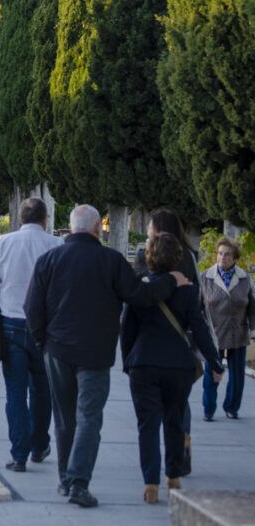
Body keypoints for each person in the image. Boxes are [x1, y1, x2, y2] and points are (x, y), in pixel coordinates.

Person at [24, 204, 190, 508]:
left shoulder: (49, 260)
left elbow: (32, 307)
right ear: (98, 229)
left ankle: (66, 479)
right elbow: (140, 297)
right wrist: (170, 281)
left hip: (57, 350)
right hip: (95, 353)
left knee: (64, 419)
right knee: (89, 418)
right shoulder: (111, 261)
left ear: (71, 228)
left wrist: (43, 343)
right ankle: (78, 483)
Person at [121, 233, 223, 504]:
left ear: (149, 258)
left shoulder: (140, 288)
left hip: (143, 363)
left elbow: (126, 329)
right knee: (174, 421)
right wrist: (215, 361)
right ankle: (173, 476)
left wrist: (128, 361)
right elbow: (199, 329)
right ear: (178, 257)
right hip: (178, 366)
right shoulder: (188, 291)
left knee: (147, 425)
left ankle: (150, 484)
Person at [0, 197, 62, 473]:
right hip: (45, 328)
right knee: (42, 389)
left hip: (10, 324)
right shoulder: (56, 245)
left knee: (14, 391)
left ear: (20, 219)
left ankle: (19, 453)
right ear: (45, 219)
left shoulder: (4, 243)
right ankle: (40, 445)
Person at [131, 209, 201, 474]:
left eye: (150, 225)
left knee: (150, 413)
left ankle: (152, 472)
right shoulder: (191, 257)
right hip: (183, 338)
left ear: (158, 228)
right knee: (179, 403)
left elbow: (137, 294)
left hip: (149, 339)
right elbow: (197, 299)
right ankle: (182, 449)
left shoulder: (144, 255)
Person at [200, 236, 255, 421]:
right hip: (214, 333)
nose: (223, 257)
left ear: (235, 258)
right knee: (211, 373)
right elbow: (197, 307)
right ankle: (208, 409)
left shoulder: (244, 278)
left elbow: (252, 307)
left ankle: (232, 407)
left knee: (237, 375)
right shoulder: (206, 277)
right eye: (220, 253)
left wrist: (253, 331)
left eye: (227, 255)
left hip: (238, 332)